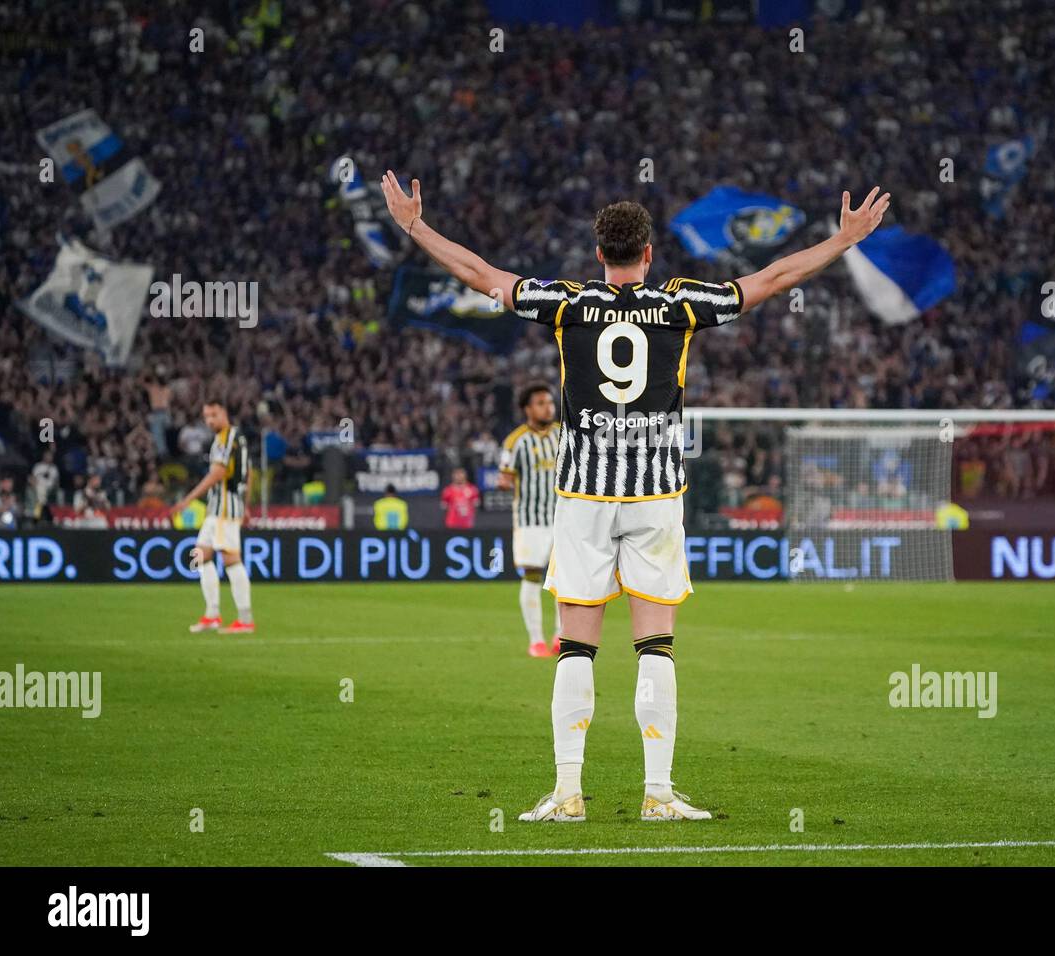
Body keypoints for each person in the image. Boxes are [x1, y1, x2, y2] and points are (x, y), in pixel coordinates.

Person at [381, 169, 889, 822]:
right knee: (655, 644)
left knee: (576, 645)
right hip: (654, 496)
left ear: (599, 255)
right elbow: (771, 280)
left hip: (584, 496)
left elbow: (482, 276)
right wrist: (842, 240)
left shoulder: (567, 304)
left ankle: (567, 793)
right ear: (648, 254)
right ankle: (658, 794)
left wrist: (417, 226)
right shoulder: (679, 306)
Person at [170, 400, 255, 634]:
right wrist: (246, 506)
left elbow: (217, 474)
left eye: (214, 415)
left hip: (225, 507)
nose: (209, 421)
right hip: (219, 508)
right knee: (201, 555)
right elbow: (249, 473)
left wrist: (187, 500)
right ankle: (212, 614)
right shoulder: (236, 438)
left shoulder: (226, 438)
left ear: (224, 413)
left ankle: (245, 619)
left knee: (230, 560)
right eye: (206, 416)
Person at [498, 382, 562, 658]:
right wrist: (503, 481)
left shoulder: (563, 434)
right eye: (541, 403)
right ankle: (536, 640)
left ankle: (561, 636)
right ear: (528, 409)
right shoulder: (516, 441)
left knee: (566, 579)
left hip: (564, 518)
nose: (548, 407)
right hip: (530, 520)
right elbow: (506, 475)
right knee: (533, 576)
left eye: (549, 402)